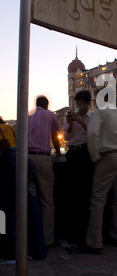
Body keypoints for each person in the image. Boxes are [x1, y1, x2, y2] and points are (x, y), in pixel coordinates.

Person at [83, 90, 117, 255]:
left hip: (107, 158)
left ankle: (95, 242)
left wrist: (95, 156)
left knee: (98, 200)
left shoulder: (100, 112)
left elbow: (91, 133)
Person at [28, 95, 61, 247]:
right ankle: (47, 240)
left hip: (27, 159)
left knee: (28, 198)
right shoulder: (50, 115)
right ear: (47, 105)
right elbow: (55, 136)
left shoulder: (28, 117)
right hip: (42, 159)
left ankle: (28, 237)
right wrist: (59, 154)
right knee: (46, 200)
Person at [63, 90, 94, 246]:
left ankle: (84, 234)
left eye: (81, 104)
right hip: (72, 154)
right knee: (71, 194)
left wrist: (80, 122)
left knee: (85, 194)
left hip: (85, 154)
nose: (78, 107)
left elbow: (93, 135)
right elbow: (66, 138)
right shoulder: (70, 117)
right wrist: (69, 125)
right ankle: (72, 234)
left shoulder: (93, 117)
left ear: (88, 103)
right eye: (77, 104)